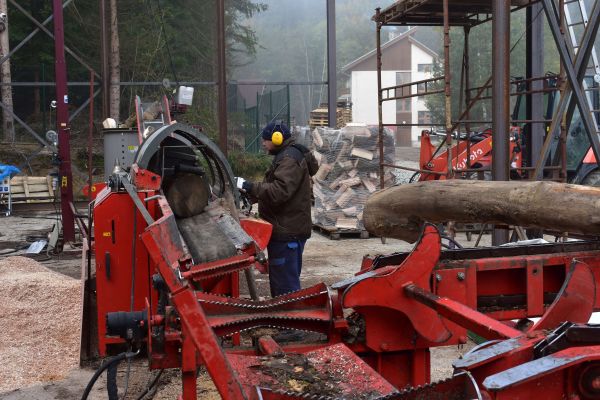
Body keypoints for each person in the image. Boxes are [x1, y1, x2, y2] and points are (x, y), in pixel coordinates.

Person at [236, 121, 317, 297]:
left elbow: (279, 192)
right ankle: (284, 316)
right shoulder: (286, 156)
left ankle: (289, 319)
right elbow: (273, 186)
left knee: (286, 283)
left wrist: (250, 186)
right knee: (282, 278)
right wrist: (250, 193)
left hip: (287, 232)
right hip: (284, 228)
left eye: (265, 140)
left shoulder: (289, 159)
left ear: (277, 138)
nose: (263, 143)